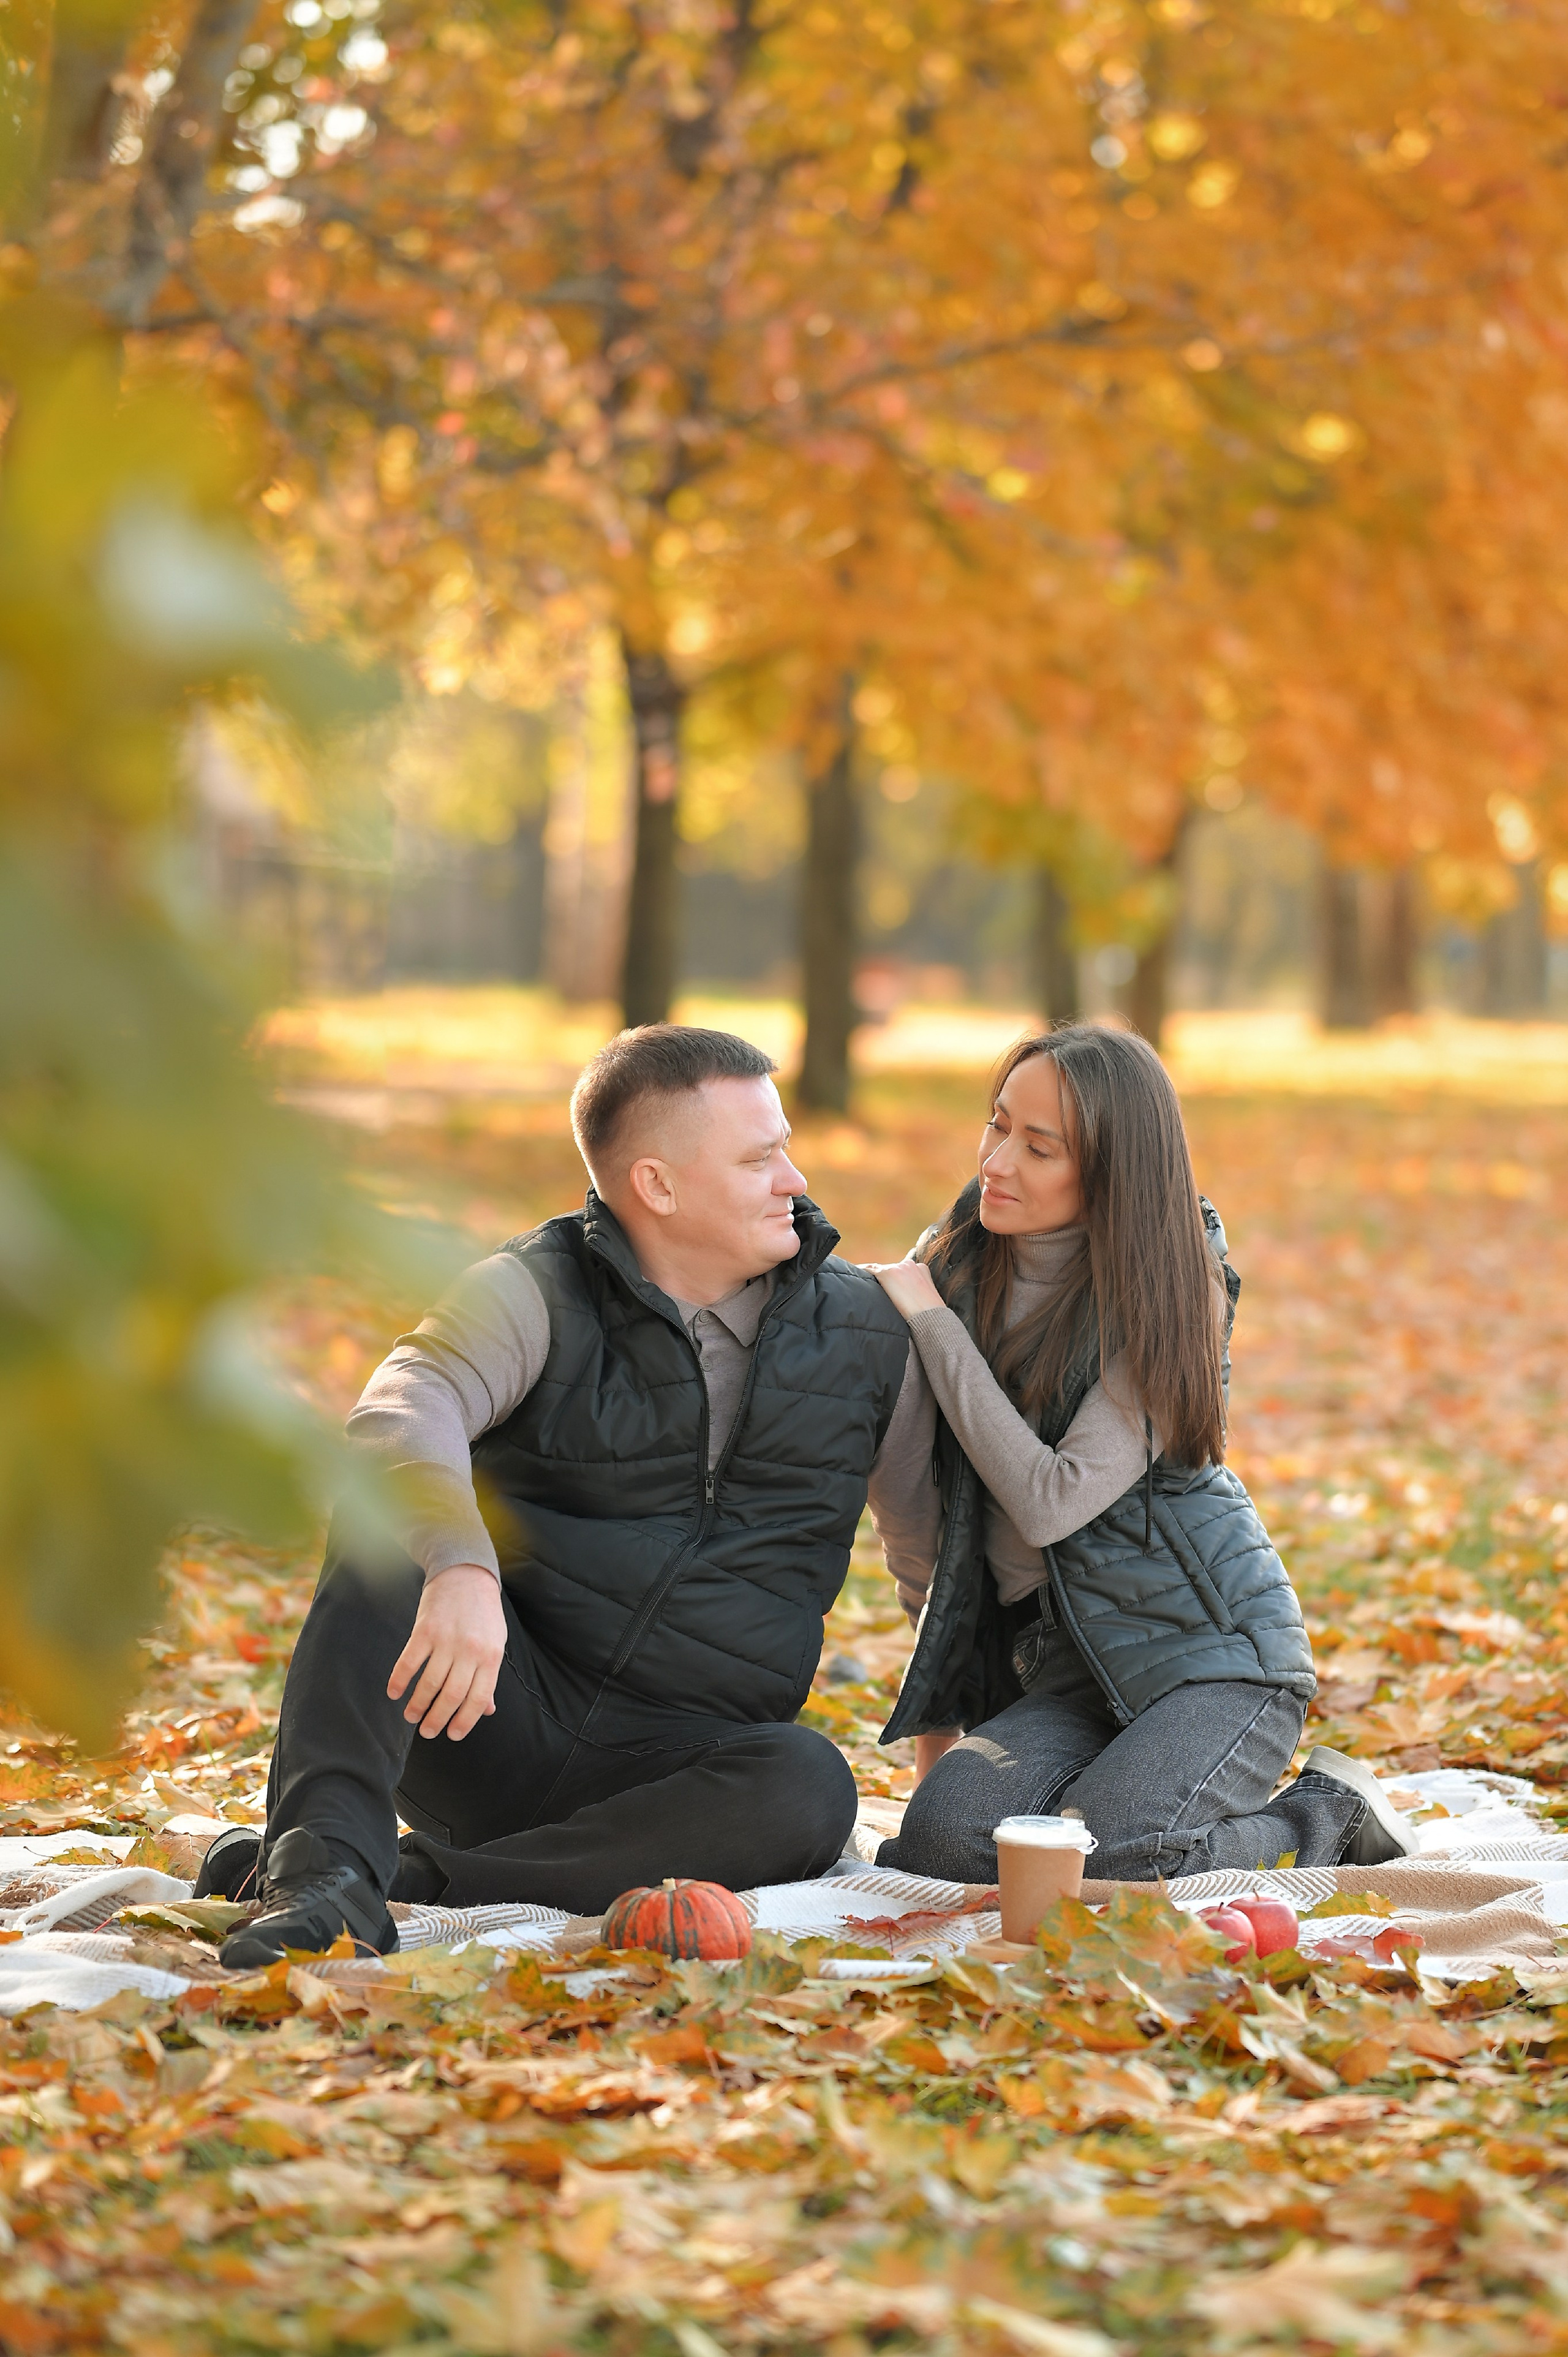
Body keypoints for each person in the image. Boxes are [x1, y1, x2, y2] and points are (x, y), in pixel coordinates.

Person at [206, 1026, 940, 1967]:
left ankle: (407, 1883)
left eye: (786, 1148)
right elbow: (400, 1408)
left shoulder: (869, 1335)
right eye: (761, 1159)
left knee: (810, 1784)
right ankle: (319, 1878)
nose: (795, 1179)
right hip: (479, 1711)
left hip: (683, 1770)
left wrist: (952, 1774)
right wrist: (461, 1568)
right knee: (385, 1527)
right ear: (657, 1186)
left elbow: (930, 1569)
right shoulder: (535, 1291)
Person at [865, 1022, 1415, 1886]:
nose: (996, 1163)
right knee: (941, 1847)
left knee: (1124, 1853)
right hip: (1063, 1675)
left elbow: (1054, 1498)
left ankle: (1327, 1816)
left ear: (1112, 1171)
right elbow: (920, 1520)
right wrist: (947, 1721)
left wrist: (931, 1323)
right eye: (996, 1124)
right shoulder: (959, 1266)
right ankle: (1116, 1788)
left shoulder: (1173, 1281)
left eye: (1039, 1148)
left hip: (1212, 1658)